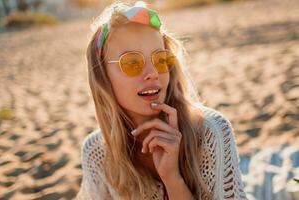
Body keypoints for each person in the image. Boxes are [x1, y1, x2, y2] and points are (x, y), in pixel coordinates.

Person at [76, 1, 248, 200]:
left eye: (160, 59)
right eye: (132, 62)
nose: (153, 74)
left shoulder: (211, 132)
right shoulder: (97, 152)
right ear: (103, 76)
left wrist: (172, 178)